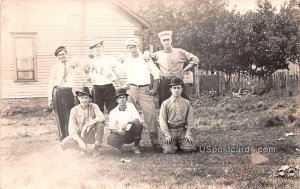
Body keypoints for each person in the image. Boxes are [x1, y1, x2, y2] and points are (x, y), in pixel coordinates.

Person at [120, 38, 162, 150]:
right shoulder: (126, 60)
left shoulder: (145, 58)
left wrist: (154, 89)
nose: (132, 49)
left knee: (151, 115)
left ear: (138, 46)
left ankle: (155, 141)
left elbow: (156, 73)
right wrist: (123, 84)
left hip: (144, 90)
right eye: (129, 47)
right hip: (131, 89)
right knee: (129, 115)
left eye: (133, 46)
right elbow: (117, 71)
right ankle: (133, 142)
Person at [149, 31, 199, 106]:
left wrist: (184, 70)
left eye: (167, 39)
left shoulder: (179, 52)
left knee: (181, 105)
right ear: (161, 42)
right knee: (164, 105)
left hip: (177, 82)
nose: (166, 42)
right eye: (164, 40)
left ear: (171, 40)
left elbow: (195, 59)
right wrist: (146, 53)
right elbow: (147, 57)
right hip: (164, 83)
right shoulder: (158, 54)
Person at [61, 87, 106, 155]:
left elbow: (102, 117)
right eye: (82, 98)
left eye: (86, 98)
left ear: (89, 99)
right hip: (80, 135)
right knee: (64, 143)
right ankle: (83, 148)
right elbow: (72, 129)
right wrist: (80, 141)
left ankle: (96, 148)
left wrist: (89, 124)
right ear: (78, 98)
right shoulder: (74, 110)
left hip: (91, 132)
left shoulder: (94, 106)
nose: (84, 100)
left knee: (100, 124)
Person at [159, 77, 197, 154]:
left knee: (189, 149)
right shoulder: (165, 103)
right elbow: (162, 121)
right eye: (174, 88)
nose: (176, 90)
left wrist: (188, 133)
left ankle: (182, 143)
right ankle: (172, 143)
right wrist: (167, 135)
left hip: (182, 130)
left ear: (181, 90)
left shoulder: (186, 103)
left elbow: (190, 120)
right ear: (170, 89)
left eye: (178, 88)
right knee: (168, 151)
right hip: (171, 130)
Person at [48, 46, 77, 140]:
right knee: (59, 116)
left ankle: (71, 136)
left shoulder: (72, 65)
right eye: (59, 55)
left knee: (69, 114)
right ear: (57, 57)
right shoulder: (55, 68)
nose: (61, 56)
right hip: (57, 92)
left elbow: (81, 71)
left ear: (66, 54)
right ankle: (63, 137)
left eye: (63, 54)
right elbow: (51, 82)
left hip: (68, 92)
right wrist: (50, 98)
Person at [89, 37, 122, 113]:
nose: (97, 48)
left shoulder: (108, 59)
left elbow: (119, 68)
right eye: (94, 47)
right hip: (96, 88)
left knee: (113, 110)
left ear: (102, 47)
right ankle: (99, 125)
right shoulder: (90, 62)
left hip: (108, 87)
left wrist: (117, 80)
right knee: (97, 111)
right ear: (92, 49)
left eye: (99, 46)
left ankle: (114, 125)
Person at [107, 88, 143, 154]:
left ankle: (136, 146)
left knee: (138, 125)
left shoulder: (131, 106)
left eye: (124, 97)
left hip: (131, 133)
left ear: (126, 99)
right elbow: (111, 129)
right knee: (110, 140)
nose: (122, 100)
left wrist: (127, 122)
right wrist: (118, 131)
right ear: (117, 100)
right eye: (120, 98)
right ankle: (120, 147)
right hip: (120, 134)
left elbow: (137, 119)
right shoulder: (113, 112)